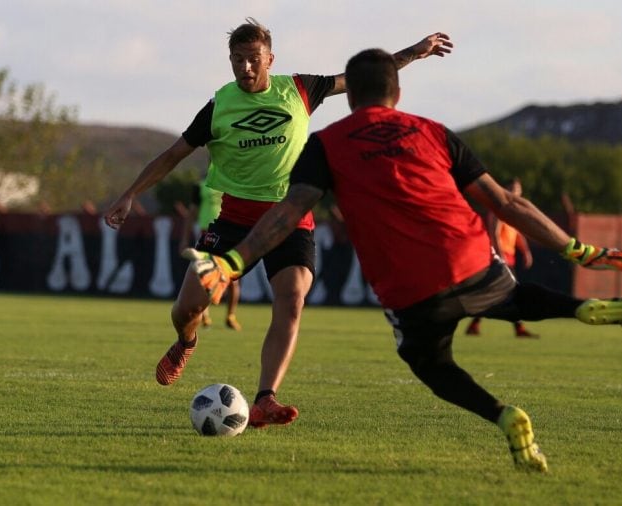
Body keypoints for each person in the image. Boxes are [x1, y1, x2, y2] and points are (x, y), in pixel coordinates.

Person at [188, 48, 622, 472]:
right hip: (470, 255)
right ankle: (581, 308)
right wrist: (579, 249)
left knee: (430, 363)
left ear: (350, 94)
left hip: (410, 285)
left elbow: (289, 212)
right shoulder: (435, 132)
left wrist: (234, 259)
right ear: (396, 92)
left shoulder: (327, 144)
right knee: (514, 299)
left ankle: (504, 415)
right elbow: (507, 203)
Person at [104, 18, 454, 429]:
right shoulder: (219, 106)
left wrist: (415, 51)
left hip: (291, 218)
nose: (246, 69)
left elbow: (365, 77)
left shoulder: (301, 89)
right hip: (234, 221)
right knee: (186, 309)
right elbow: (171, 155)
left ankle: (265, 399)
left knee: (291, 298)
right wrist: (130, 193)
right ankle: (187, 340)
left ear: (270, 58)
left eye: (253, 60)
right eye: (237, 60)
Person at [466, 178, 537, 338]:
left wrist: (525, 251)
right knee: (512, 292)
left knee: (492, 293)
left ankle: (474, 324)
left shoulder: (514, 210)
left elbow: (517, 234)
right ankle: (519, 329)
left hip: (509, 257)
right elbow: (495, 232)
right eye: (512, 188)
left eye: (518, 189)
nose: (515, 192)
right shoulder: (500, 208)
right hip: (500, 257)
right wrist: (500, 255)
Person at [179, 175, 242, 330]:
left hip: (229, 234)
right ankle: (204, 315)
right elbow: (191, 213)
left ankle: (230, 315)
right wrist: (184, 238)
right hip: (207, 234)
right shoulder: (200, 186)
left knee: (233, 279)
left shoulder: (233, 181)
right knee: (205, 275)